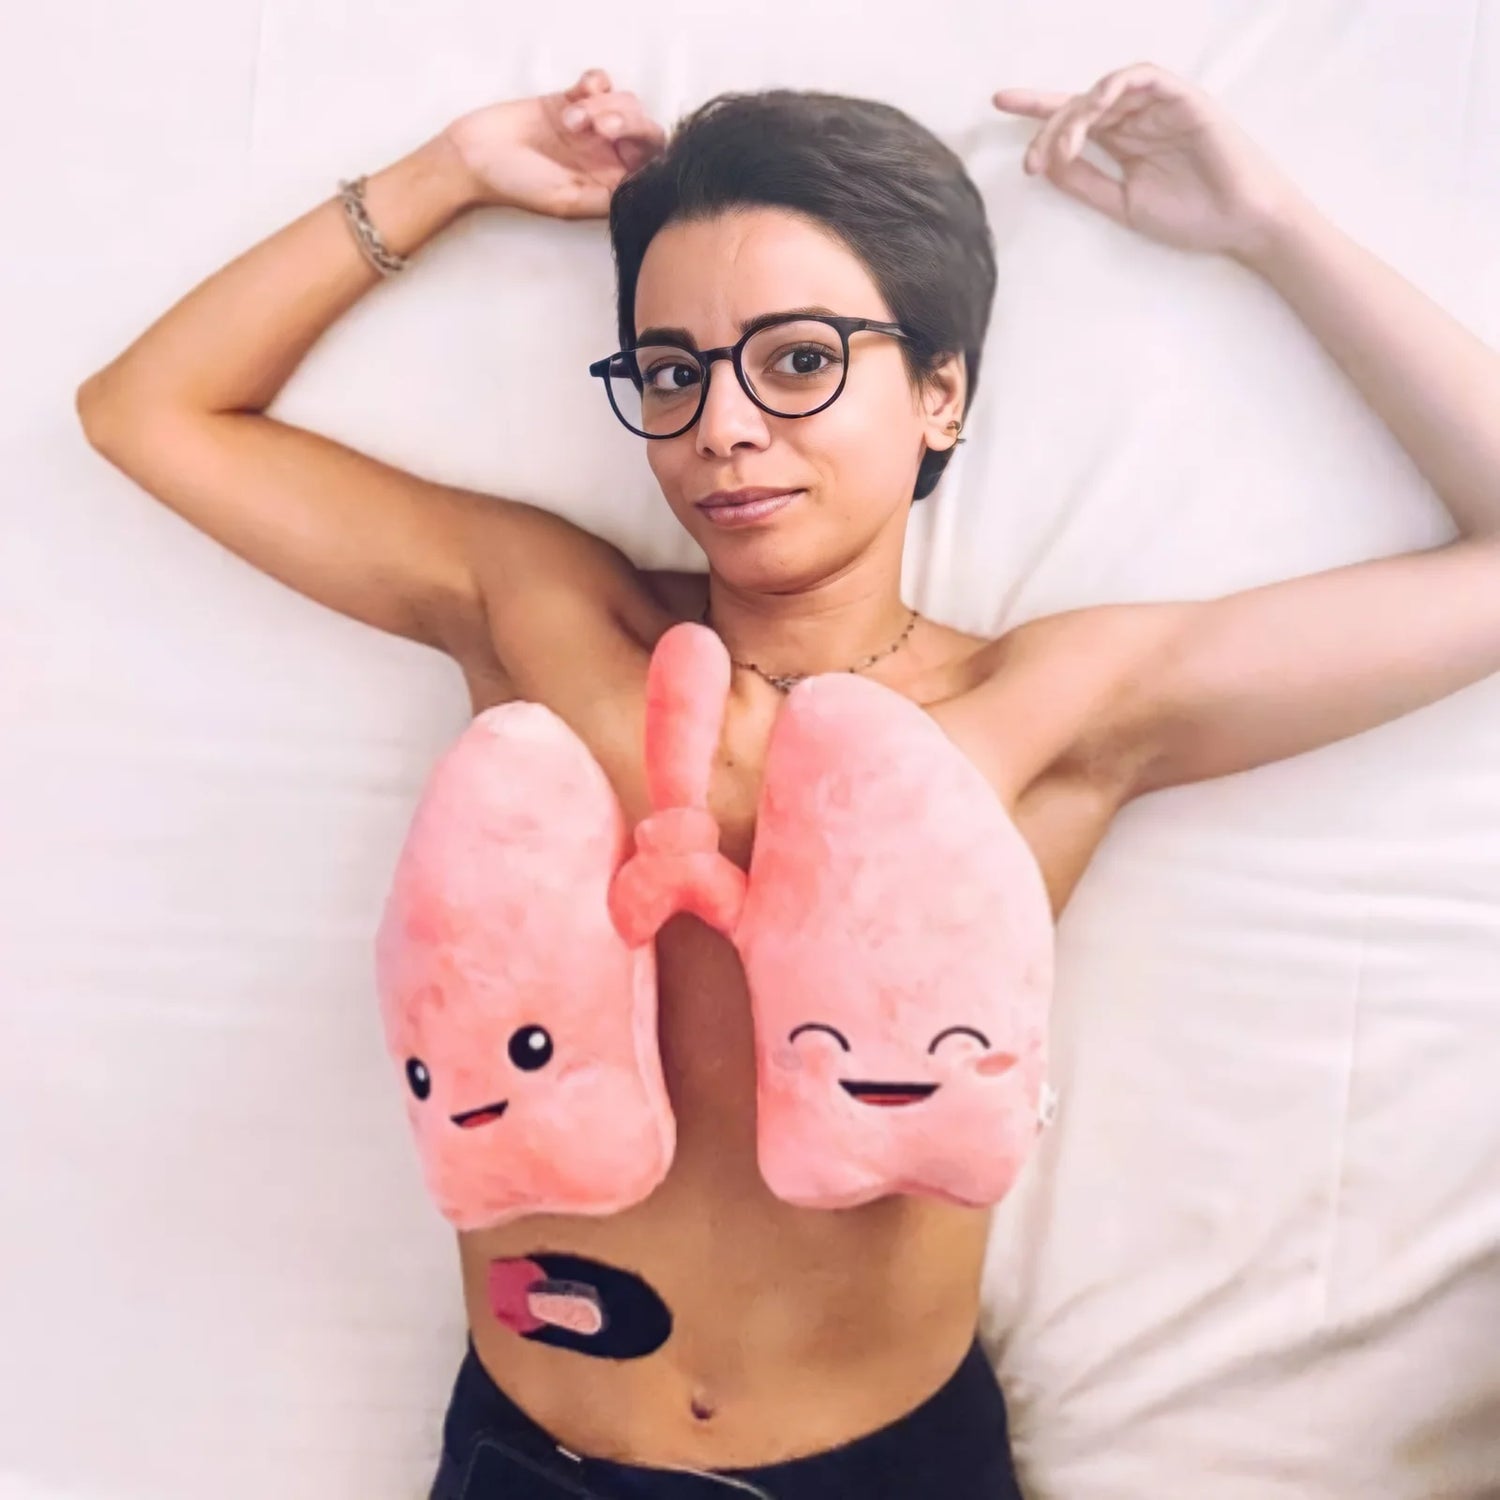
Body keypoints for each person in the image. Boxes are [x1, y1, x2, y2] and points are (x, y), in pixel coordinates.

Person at [75, 58, 1500, 1499]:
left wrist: (1268, 226)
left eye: (802, 360)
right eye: (675, 371)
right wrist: (447, 171)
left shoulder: (1041, 709)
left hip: (883, 1466)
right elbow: (150, 411)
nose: (727, 426)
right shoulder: (551, 621)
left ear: (941, 392)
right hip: (527, 1452)